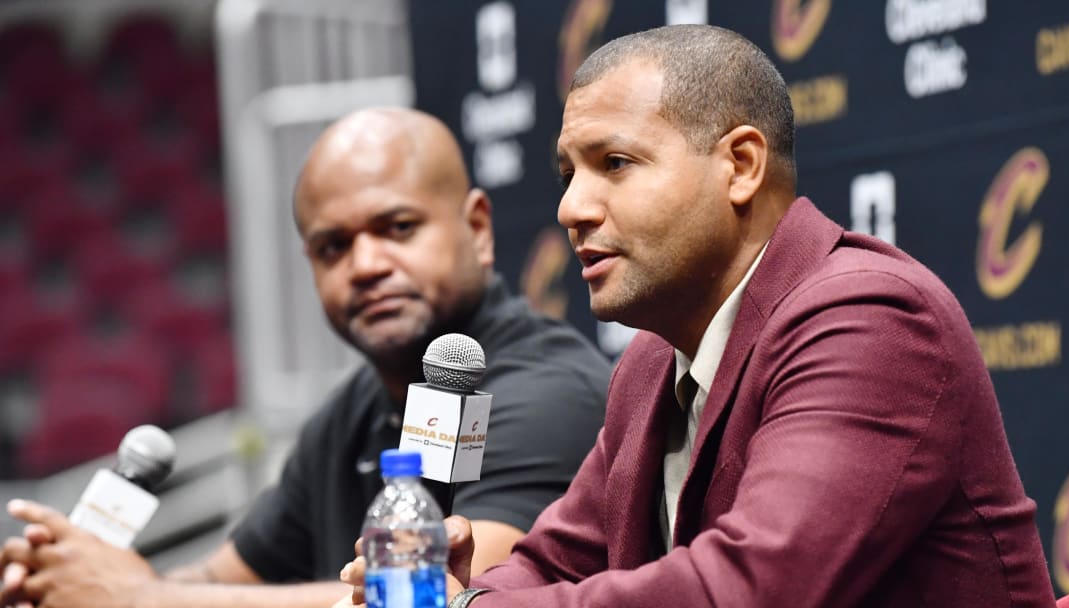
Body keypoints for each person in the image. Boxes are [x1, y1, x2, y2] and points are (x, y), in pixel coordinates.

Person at [335, 24, 1057, 607]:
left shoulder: (872, 319)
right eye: (566, 174)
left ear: (740, 165)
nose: (570, 208)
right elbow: (553, 561)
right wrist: (449, 594)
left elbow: (755, 587)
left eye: (614, 163)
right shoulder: (651, 363)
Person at [0, 108, 611, 608]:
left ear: (477, 229)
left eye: (397, 228)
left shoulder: (548, 392)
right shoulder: (351, 412)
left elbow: (464, 595)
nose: (366, 266)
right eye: (334, 246)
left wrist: (138, 599)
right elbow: (216, 583)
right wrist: (76, 581)